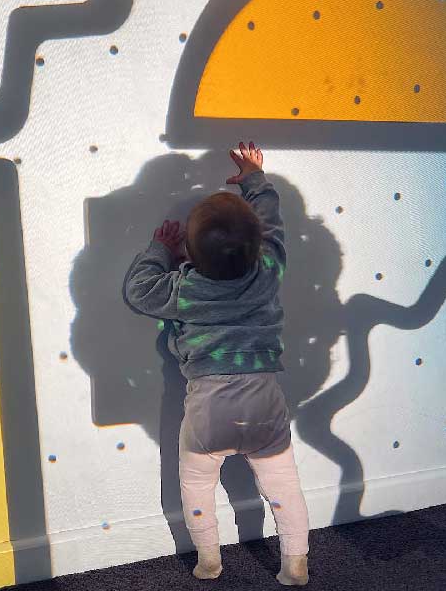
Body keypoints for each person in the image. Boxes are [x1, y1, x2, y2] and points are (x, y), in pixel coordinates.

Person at [124, 141, 310, 585]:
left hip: (209, 409)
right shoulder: (268, 270)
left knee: (197, 484)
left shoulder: (184, 289)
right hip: (264, 402)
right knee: (283, 488)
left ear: (190, 253)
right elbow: (272, 224)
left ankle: (209, 560)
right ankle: (295, 562)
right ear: (257, 246)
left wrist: (159, 250)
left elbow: (139, 290)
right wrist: (253, 179)